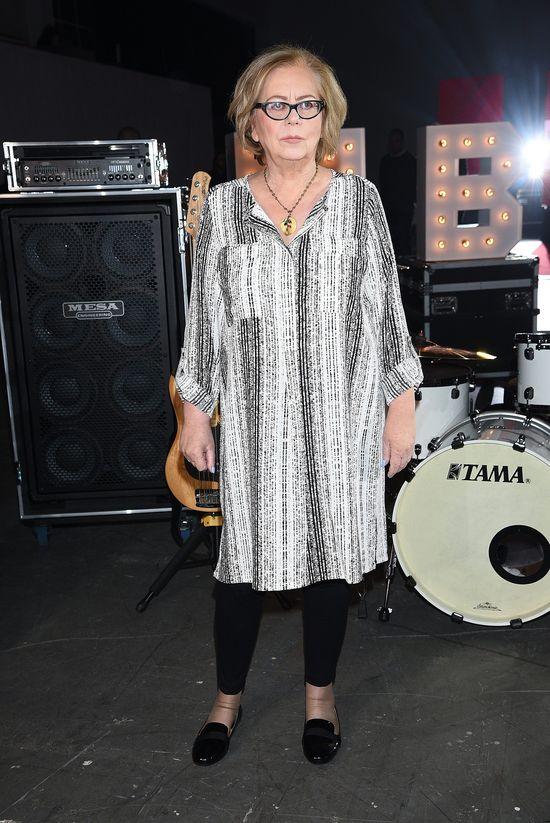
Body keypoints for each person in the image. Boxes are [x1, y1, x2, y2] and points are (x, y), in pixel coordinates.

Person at [175, 44, 423, 766]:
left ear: (326, 118)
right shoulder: (224, 209)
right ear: (251, 123)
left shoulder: (360, 201)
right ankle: (226, 701)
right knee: (239, 573)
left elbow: (387, 314)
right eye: (275, 105)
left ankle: (320, 698)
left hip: (342, 424)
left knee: (329, 568)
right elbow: (206, 320)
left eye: (306, 104)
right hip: (255, 430)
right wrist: (195, 411)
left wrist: (399, 410)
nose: (291, 117)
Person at [378, 128, 417, 256]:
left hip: (404, 209)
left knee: (404, 239)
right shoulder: (386, 161)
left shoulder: (410, 161)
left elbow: (413, 185)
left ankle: (405, 266)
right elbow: (383, 185)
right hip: (389, 209)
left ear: (402, 142)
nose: (394, 144)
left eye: (396, 141)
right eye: (392, 141)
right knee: (391, 241)